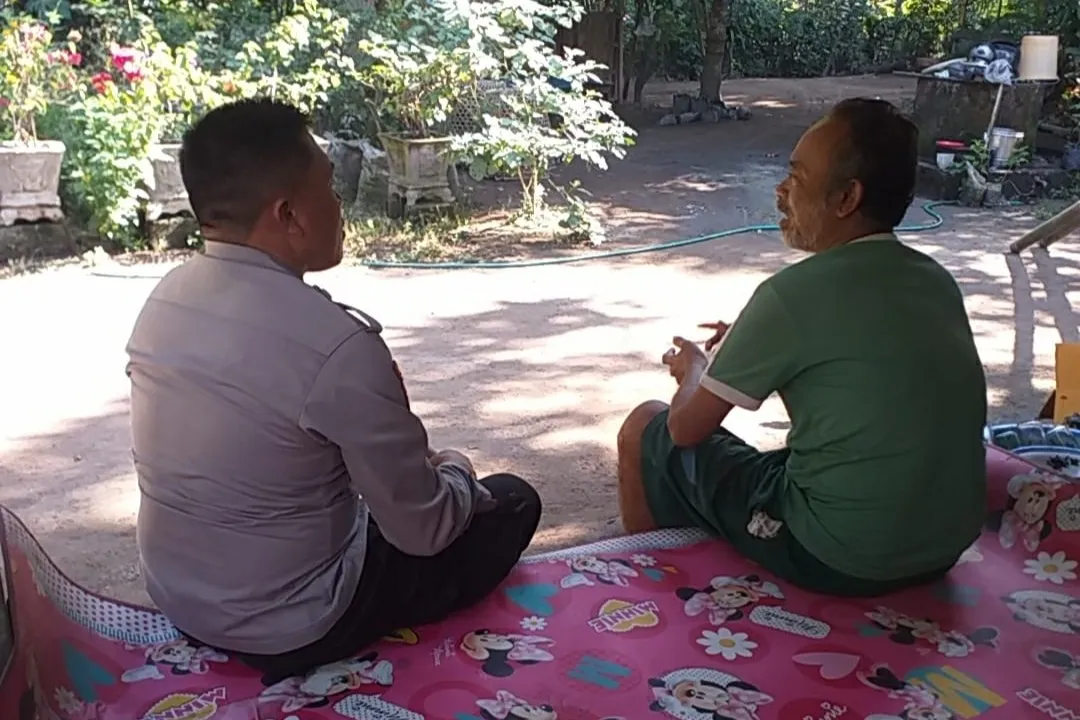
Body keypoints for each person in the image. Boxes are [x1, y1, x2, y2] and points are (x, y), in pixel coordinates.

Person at [125, 99, 542, 684]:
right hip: (293, 624)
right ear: (289, 214)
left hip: (181, 598)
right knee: (511, 500)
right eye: (329, 187)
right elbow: (423, 530)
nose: (340, 204)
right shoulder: (336, 344)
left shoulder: (165, 298)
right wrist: (456, 470)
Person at [616, 98, 987, 598]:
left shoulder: (790, 296)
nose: (781, 190)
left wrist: (695, 369)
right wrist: (748, 340)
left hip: (844, 555)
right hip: (944, 544)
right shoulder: (935, 281)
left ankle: (643, 587)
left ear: (847, 197)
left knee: (646, 426)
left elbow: (685, 429)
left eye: (796, 176)